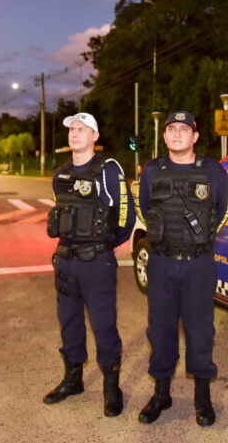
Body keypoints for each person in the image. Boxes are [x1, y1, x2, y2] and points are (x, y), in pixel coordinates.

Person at [136, 110, 228, 427]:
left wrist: (200, 238)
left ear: (195, 136)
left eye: (183, 129)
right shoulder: (152, 170)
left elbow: (222, 210)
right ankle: (161, 395)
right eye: (171, 129)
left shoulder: (213, 171)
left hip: (198, 266)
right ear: (164, 136)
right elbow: (145, 206)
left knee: (201, 333)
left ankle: (202, 398)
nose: (177, 134)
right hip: (162, 264)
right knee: (160, 331)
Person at [44, 112, 135, 417]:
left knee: (103, 326)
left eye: (82, 129)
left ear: (95, 136)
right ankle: (73, 380)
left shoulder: (107, 170)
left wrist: (106, 246)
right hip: (66, 260)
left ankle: (111, 387)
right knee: (68, 324)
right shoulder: (61, 174)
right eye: (72, 128)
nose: (75, 133)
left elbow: (126, 215)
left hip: (96, 262)